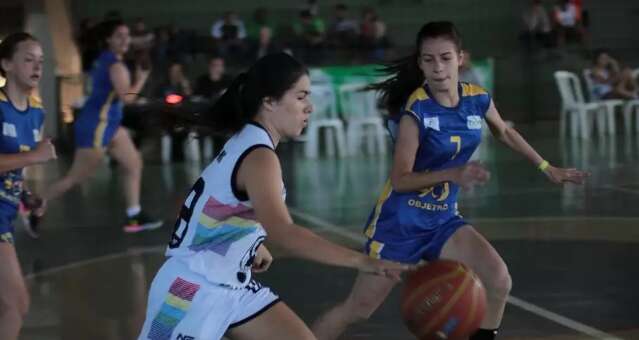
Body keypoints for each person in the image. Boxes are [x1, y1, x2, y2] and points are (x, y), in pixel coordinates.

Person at [312, 21, 589, 340]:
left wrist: (546, 167)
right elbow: (400, 180)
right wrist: (453, 174)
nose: (438, 67)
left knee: (498, 280)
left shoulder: (477, 99)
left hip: (441, 219)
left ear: (461, 58)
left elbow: (505, 132)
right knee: (358, 310)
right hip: (399, 225)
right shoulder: (415, 111)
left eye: (445, 57)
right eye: (428, 59)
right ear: (420, 64)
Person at [136, 52, 410, 340]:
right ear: (269, 101)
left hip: (231, 286)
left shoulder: (250, 142)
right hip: (191, 290)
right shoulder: (259, 157)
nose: (310, 107)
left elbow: (218, 205)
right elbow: (285, 232)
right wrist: (363, 261)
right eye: (301, 97)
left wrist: (247, 244)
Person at [38, 20, 162, 232]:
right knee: (76, 177)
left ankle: (134, 215)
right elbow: (127, 98)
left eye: (127, 35)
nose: (125, 40)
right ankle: (33, 204)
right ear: (109, 40)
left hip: (109, 124)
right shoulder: (116, 65)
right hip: (97, 126)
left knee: (133, 163)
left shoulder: (104, 60)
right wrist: (141, 79)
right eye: (119, 36)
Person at [0, 32, 57, 340]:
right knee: (17, 303)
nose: (37, 67)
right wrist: (36, 155)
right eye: (27, 59)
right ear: (6, 63)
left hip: (7, 211)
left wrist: (26, 197)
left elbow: (14, 169)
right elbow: (26, 158)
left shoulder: (37, 113)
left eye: (41, 61)